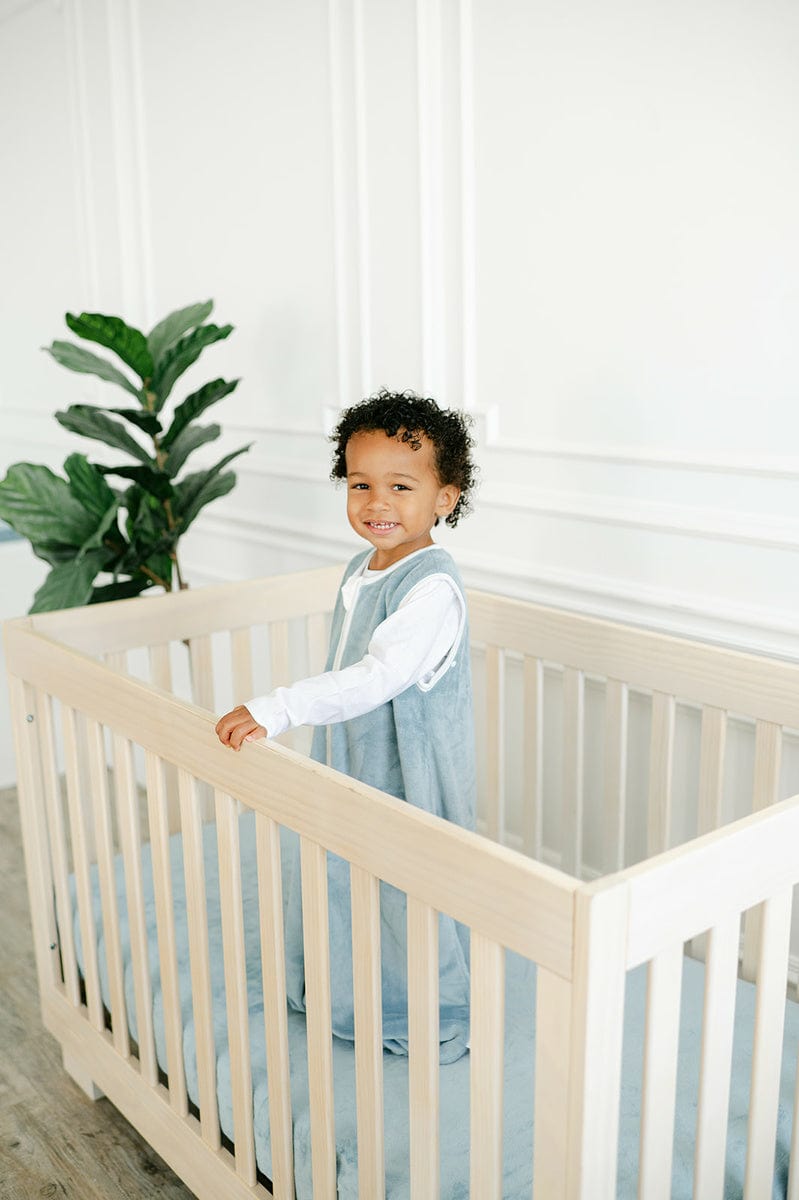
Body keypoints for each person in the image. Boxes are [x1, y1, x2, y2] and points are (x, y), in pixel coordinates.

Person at [215, 388, 478, 1062]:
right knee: (340, 876)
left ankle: (426, 1004)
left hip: (406, 773)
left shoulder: (431, 587)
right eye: (361, 484)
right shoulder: (361, 568)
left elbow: (376, 677)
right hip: (351, 758)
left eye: (400, 486)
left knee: (403, 890)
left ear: (444, 499)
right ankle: (344, 986)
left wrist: (276, 708)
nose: (376, 503)